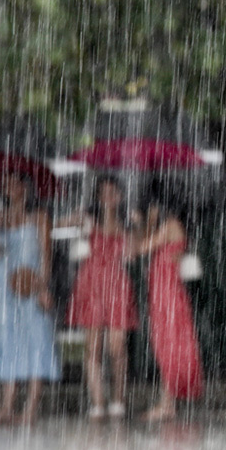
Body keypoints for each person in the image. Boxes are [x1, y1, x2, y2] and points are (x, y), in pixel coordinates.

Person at [0, 172, 61, 426]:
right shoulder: (1, 218)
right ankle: (7, 406)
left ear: (25, 188)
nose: (9, 189)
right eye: (6, 185)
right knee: (7, 339)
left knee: (37, 338)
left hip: (32, 282)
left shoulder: (40, 217)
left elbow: (46, 255)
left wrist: (44, 287)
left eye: (14, 184)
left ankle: (30, 407)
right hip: (5, 283)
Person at [127, 189, 202, 422]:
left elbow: (140, 248)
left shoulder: (170, 225)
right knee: (166, 347)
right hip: (163, 296)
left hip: (168, 297)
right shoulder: (170, 225)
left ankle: (167, 404)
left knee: (169, 346)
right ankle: (167, 403)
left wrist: (143, 222)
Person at [66, 174, 137, 419]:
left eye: (112, 193)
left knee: (117, 347)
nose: (107, 197)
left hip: (117, 286)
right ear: (97, 196)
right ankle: (97, 401)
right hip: (91, 284)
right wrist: (77, 220)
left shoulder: (127, 224)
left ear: (119, 196)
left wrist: (138, 226)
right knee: (93, 347)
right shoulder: (88, 221)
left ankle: (118, 398)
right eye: (103, 193)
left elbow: (133, 255)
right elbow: (58, 224)